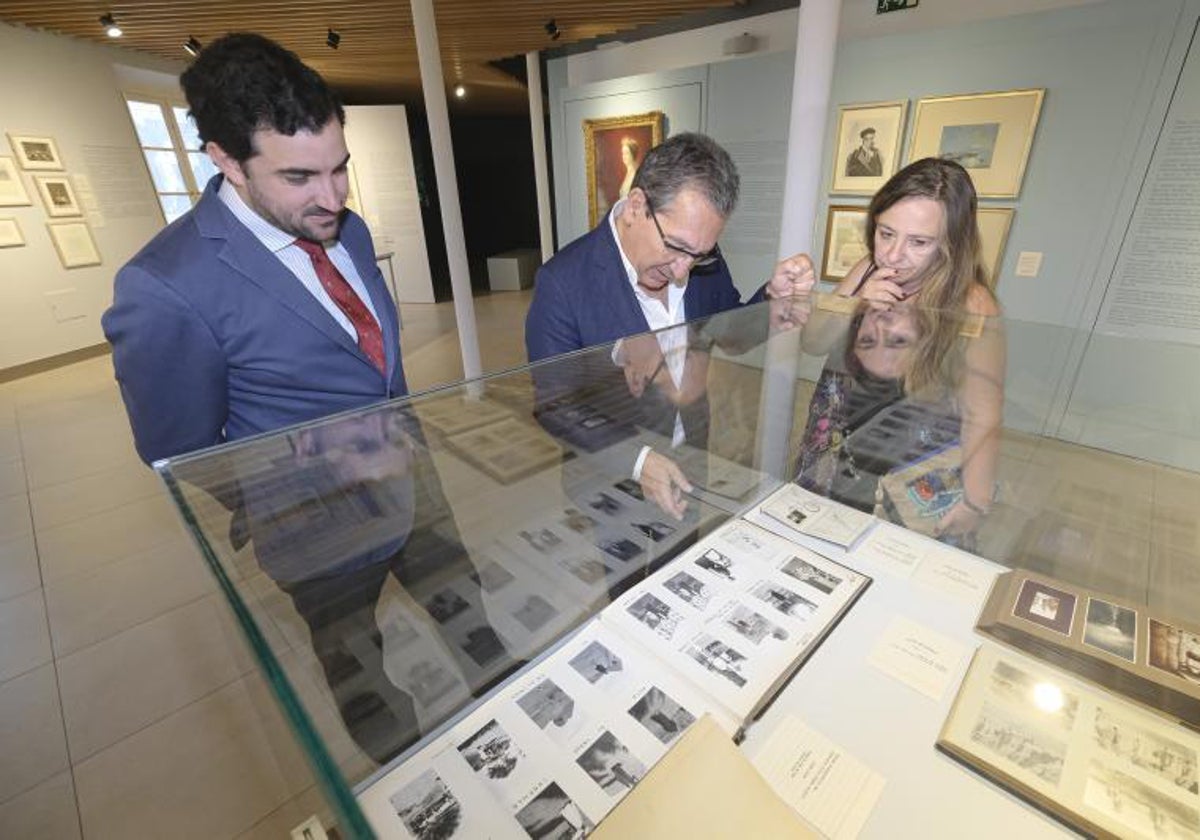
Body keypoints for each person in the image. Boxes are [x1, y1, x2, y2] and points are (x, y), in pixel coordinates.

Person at [103, 32, 406, 466]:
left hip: (414, 482)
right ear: (228, 162)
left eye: (339, 169)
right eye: (299, 177)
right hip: (313, 523)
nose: (333, 198)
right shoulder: (163, 286)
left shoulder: (350, 230)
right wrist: (286, 502)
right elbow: (181, 455)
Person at [526, 132, 814, 516]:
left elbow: (727, 333)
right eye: (675, 247)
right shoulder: (562, 282)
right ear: (636, 206)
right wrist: (639, 460)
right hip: (612, 481)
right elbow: (555, 404)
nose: (683, 270)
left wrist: (772, 300)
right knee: (630, 579)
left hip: (691, 463)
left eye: (699, 254)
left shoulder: (697, 252)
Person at [796, 157, 1005, 548]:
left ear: (951, 244)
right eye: (886, 233)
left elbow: (984, 412)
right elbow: (813, 343)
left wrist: (976, 502)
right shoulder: (865, 270)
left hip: (913, 471)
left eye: (919, 242)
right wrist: (855, 301)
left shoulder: (973, 304)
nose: (893, 255)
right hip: (842, 452)